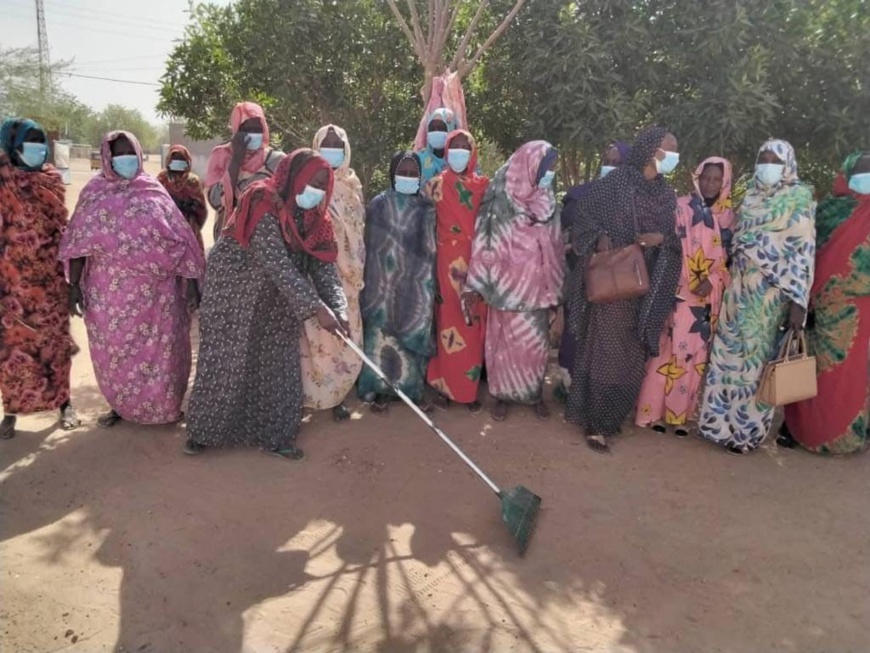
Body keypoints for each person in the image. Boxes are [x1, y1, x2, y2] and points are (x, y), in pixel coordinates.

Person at [185, 149, 348, 460]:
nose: (314, 191)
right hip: (235, 293)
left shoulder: (316, 217)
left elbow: (324, 266)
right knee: (226, 362)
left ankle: (276, 436)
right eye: (310, 181)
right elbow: (276, 263)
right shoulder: (262, 199)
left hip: (278, 298)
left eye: (321, 185)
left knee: (278, 366)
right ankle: (203, 432)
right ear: (294, 176)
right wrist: (317, 308)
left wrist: (338, 309)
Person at [59, 130, 205, 428]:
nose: (124, 158)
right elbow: (78, 243)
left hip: (159, 296)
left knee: (163, 352)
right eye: (118, 153)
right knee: (117, 354)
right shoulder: (94, 192)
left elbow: (183, 238)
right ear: (107, 157)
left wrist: (192, 284)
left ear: (139, 154)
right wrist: (73, 287)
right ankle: (121, 406)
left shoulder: (153, 190)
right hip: (110, 298)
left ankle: (166, 408)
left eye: (129, 152)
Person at [565, 126, 682, 454]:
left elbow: (676, 238)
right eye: (667, 150)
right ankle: (596, 424)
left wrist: (662, 240)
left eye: (675, 152)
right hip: (615, 284)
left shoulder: (666, 195)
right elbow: (583, 220)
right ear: (648, 150)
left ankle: (611, 416)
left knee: (631, 357)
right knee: (606, 354)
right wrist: (599, 237)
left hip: (648, 288)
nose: (672, 158)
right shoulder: (615, 184)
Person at [698, 139, 816, 455]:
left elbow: (803, 255)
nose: (767, 165)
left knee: (754, 364)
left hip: (769, 298)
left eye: (773, 159)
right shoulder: (749, 198)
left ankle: (745, 434)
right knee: (726, 360)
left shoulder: (798, 200)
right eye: (762, 158)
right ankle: (717, 425)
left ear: (787, 164)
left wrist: (798, 303)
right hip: (736, 292)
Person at [465, 140, 565, 422]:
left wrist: (556, 290)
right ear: (531, 166)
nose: (550, 173)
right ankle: (500, 396)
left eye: (553, 168)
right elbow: (485, 243)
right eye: (548, 167)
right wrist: (478, 284)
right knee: (504, 346)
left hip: (538, 290)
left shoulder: (547, 200)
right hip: (505, 289)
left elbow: (555, 245)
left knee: (535, 347)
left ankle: (533, 395)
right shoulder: (500, 199)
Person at [635, 157, 735, 436]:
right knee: (665, 352)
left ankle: (679, 416)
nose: (710, 184)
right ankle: (651, 412)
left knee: (693, 357)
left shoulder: (728, 219)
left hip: (705, 300)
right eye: (706, 177)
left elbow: (731, 263)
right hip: (675, 291)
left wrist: (713, 280)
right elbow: (666, 242)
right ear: (697, 177)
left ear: (724, 182)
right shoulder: (679, 207)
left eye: (716, 179)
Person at [780, 151, 870, 454]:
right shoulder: (826, 211)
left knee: (851, 377)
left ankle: (846, 436)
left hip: (859, 314)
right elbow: (805, 255)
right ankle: (801, 430)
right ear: (845, 174)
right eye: (861, 171)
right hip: (816, 307)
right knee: (811, 368)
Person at [0, 118, 80, 439]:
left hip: (49, 284)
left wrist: (72, 280)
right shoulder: (2, 184)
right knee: (13, 351)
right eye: (29, 143)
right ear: (12, 146)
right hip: (11, 287)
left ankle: (65, 403)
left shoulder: (51, 181)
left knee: (54, 345)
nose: (38, 149)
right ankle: (11, 411)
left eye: (40, 142)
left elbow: (63, 229)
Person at [358, 151, 437, 414]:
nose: (407, 177)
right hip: (382, 285)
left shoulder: (426, 207)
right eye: (402, 172)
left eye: (413, 173)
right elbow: (368, 245)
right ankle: (381, 390)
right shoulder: (379, 204)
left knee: (412, 339)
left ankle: (412, 391)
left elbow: (430, 249)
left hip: (415, 286)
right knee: (381, 336)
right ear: (392, 173)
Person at [557, 140, 632, 401]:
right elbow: (567, 229)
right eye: (607, 161)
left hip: (616, 284)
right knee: (575, 329)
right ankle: (568, 386)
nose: (610, 167)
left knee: (603, 338)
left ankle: (594, 391)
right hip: (580, 276)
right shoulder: (580, 195)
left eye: (617, 163)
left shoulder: (634, 201)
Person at [300, 125, 365, 421]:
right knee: (318, 336)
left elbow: (358, 228)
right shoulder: (309, 184)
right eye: (326, 144)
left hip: (349, 275)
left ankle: (337, 396)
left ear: (347, 149)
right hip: (319, 271)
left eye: (337, 144)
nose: (332, 149)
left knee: (344, 333)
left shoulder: (353, 185)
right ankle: (313, 396)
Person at [425, 130, 490, 412]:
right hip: (445, 263)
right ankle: (444, 387)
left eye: (465, 147)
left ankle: (468, 389)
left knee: (473, 324)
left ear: (473, 152)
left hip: (476, 263)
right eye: (455, 147)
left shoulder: (484, 187)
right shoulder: (435, 185)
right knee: (447, 323)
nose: (460, 152)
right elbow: (424, 223)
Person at [204, 101, 284, 242]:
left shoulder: (275, 160)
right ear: (236, 130)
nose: (253, 134)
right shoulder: (222, 156)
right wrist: (236, 160)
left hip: (265, 238)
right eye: (247, 129)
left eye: (257, 129)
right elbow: (215, 201)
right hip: (228, 237)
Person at [157, 145, 208, 254]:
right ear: (169, 161)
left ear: (187, 161)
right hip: (167, 227)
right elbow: (156, 205)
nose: (178, 162)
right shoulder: (162, 179)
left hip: (189, 227)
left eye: (181, 160)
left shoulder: (193, 181)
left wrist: (189, 207)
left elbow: (201, 209)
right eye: (175, 159)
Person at [416, 108, 457, 185]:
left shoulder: (460, 159)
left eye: (441, 128)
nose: (436, 131)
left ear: (450, 129)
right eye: (432, 128)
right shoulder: (420, 159)